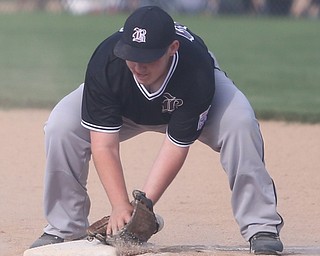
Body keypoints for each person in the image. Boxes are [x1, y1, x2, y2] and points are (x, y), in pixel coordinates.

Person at [30, 6, 284, 254]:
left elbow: (176, 145)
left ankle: (261, 227)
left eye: (148, 57)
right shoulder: (107, 61)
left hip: (187, 101)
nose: (139, 66)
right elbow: (104, 144)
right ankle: (64, 229)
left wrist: (145, 204)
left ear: (172, 49)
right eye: (132, 55)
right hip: (125, 108)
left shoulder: (195, 70)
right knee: (61, 126)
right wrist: (120, 205)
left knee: (240, 122)